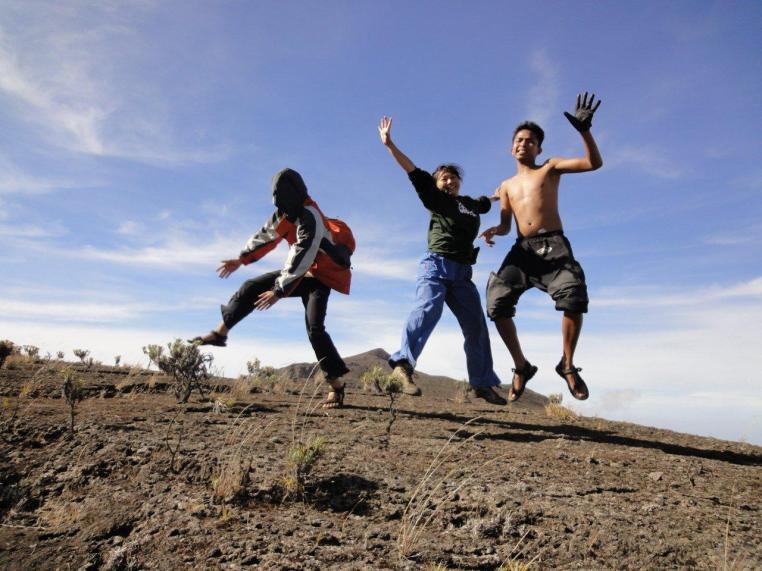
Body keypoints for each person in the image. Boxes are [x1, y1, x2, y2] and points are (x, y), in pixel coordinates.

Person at [191, 168, 352, 408]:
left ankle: (336, 386)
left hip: (322, 277)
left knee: (315, 328)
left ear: (296, 195)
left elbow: (303, 254)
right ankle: (220, 333)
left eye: (285, 201)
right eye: (279, 203)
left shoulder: (310, 216)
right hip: (302, 273)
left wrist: (278, 291)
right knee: (251, 286)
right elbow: (266, 236)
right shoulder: (286, 213)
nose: (282, 208)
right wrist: (241, 259)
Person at [481, 93, 603, 402]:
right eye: (519, 140)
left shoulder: (550, 168)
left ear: (539, 149)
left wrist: (584, 131)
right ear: (512, 148)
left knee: (574, 295)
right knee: (496, 301)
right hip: (522, 251)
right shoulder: (506, 186)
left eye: (531, 141)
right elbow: (507, 224)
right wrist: (496, 229)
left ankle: (567, 364)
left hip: (554, 246)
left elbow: (593, 163)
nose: (524, 144)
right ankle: (522, 366)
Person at [377, 116, 506, 405]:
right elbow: (412, 170)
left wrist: (498, 197)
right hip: (436, 266)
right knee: (428, 310)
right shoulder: (436, 199)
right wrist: (390, 145)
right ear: (436, 184)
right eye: (444, 178)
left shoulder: (470, 204)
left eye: (453, 177)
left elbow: (487, 201)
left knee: (476, 325)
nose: (450, 181)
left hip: (462, 274)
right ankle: (402, 366)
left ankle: (482, 383)